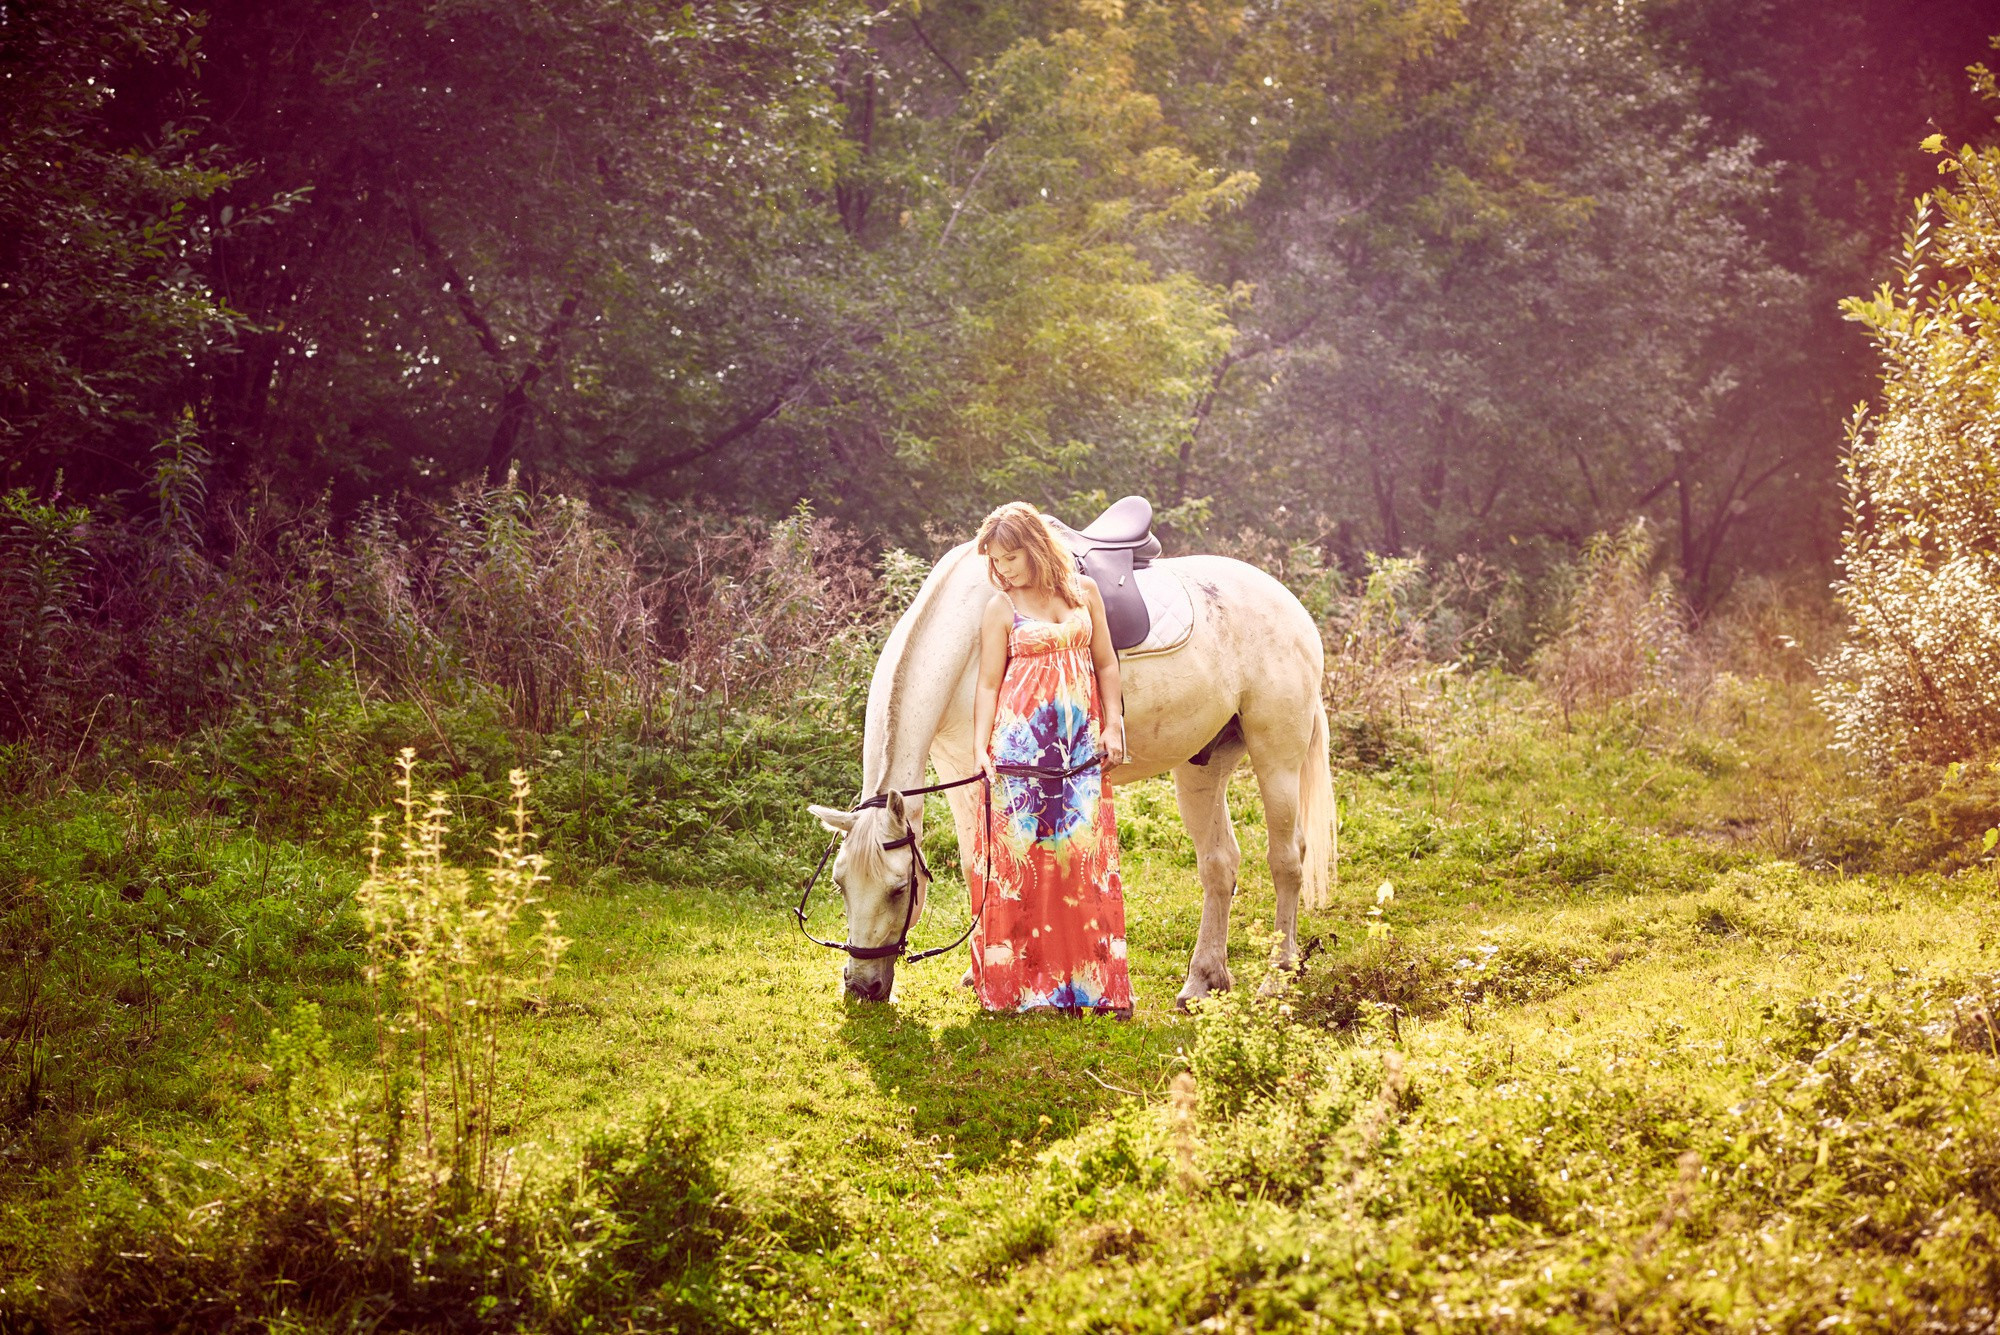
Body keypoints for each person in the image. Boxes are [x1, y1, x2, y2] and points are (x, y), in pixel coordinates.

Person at [968, 501, 1136, 1016]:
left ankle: (1090, 984)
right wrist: (979, 746)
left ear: (1037, 547)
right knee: (1026, 867)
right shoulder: (1001, 607)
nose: (1004, 570)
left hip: (1080, 744)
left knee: (1081, 863)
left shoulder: (1083, 592)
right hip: (1021, 748)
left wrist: (1113, 723)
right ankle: (1026, 987)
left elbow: (1105, 662)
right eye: (997, 561)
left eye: (1012, 557)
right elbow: (989, 682)